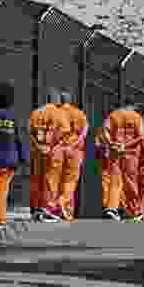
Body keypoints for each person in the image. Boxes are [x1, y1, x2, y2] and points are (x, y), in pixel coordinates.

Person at [0, 82, 28, 231]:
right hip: (8, 160)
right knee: (1, 188)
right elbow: (19, 138)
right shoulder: (14, 118)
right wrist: (23, 157)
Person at [101, 103, 144, 222]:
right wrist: (125, 145)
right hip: (130, 153)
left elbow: (105, 131)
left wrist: (111, 143)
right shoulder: (137, 117)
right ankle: (136, 211)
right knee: (130, 182)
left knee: (114, 181)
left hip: (115, 152)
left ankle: (112, 208)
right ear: (131, 106)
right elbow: (141, 136)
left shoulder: (113, 115)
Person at [29, 88, 69, 223]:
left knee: (36, 179)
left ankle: (35, 208)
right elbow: (64, 131)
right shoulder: (59, 114)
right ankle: (48, 208)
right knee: (51, 180)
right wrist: (51, 146)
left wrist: (39, 146)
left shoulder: (36, 113)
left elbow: (31, 131)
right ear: (56, 100)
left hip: (38, 150)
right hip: (53, 152)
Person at [50, 91, 88, 221]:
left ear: (60, 100)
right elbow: (84, 132)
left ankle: (59, 209)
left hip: (58, 149)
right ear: (70, 100)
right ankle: (64, 202)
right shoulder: (78, 113)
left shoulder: (56, 113)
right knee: (70, 180)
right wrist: (75, 144)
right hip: (74, 150)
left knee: (57, 179)